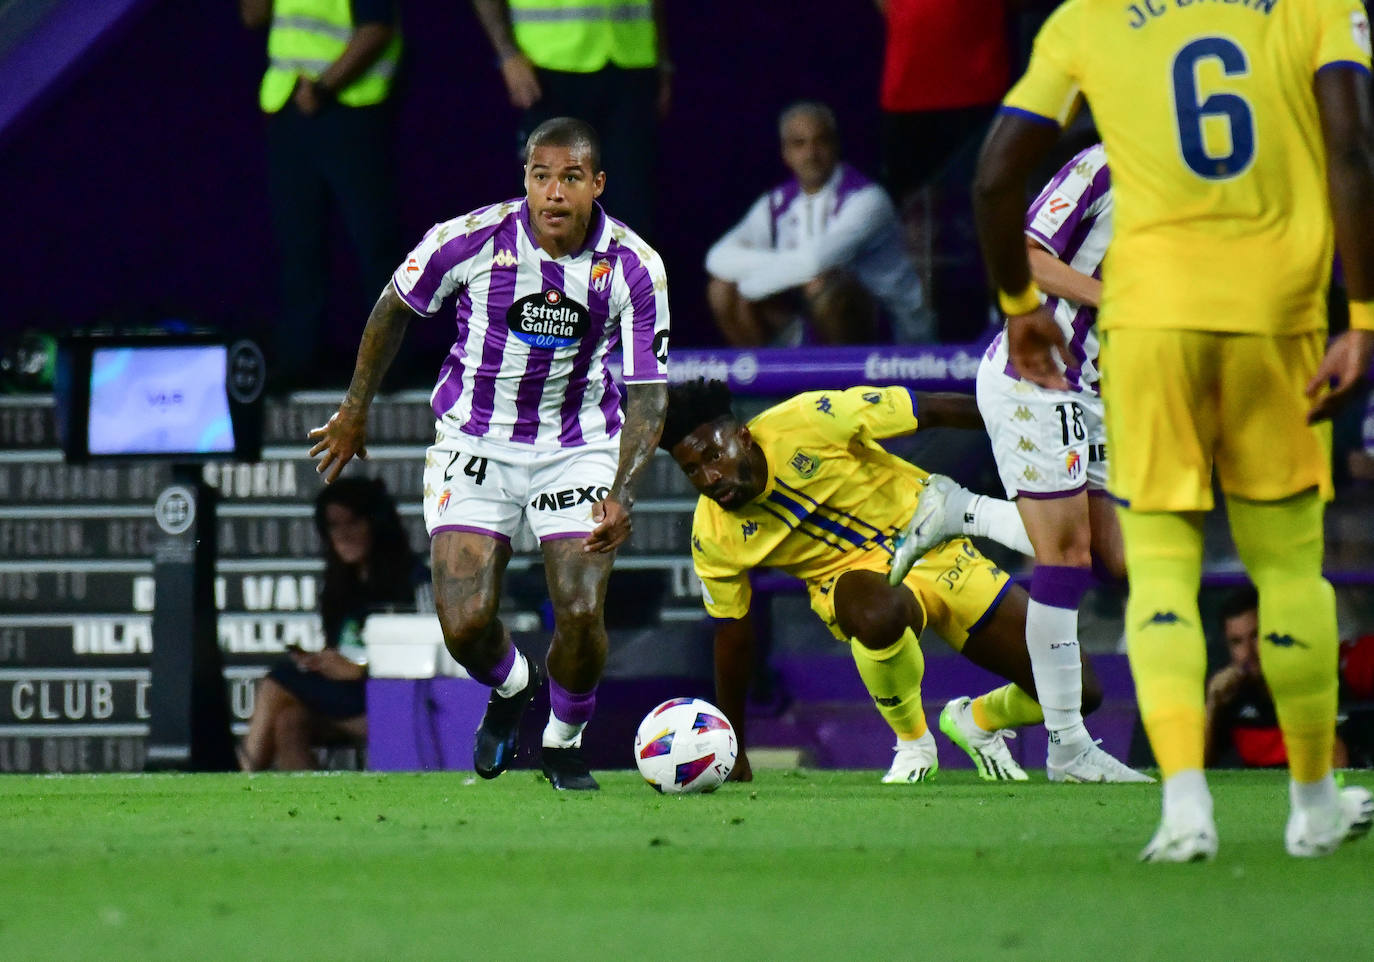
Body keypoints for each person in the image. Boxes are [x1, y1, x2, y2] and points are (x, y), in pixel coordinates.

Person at [971, 0, 1374, 860]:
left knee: (1150, 569)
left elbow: (993, 178)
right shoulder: (1317, 8)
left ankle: (1185, 808)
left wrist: (1016, 308)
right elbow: (1351, 149)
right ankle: (1312, 805)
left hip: (1146, 341)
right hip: (1275, 321)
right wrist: (1364, 316)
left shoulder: (1093, 21)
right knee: (1287, 567)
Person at [308, 117, 669, 791]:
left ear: (597, 184)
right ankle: (514, 687)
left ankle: (563, 742)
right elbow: (392, 308)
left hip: (578, 445)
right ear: (525, 180)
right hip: (475, 442)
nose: (553, 193)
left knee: (583, 610)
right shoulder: (468, 239)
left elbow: (648, 395)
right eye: (540, 176)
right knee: (466, 624)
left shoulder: (634, 266)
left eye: (569, 178)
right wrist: (355, 409)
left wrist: (624, 490)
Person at [661, 379, 1149, 784]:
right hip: (854, 584)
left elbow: (930, 409)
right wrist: (733, 744)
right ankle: (914, 744)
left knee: (1080, 692)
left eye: (712, 455)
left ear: (743, 436)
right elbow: (733, 636)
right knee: (875, 612)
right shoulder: (714, 534)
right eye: (692, 470)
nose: (708, 476)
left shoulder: (811, 419)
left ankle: (974, 721)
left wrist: (1021, 427)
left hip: (939, 545)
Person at [892, 143, 1144, 783]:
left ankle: (964, 513)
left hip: (1102, 390)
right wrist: (1113, 298)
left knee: (1122, 560)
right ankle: (1068, 747)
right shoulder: (1102, 167)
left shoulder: (1203, 184)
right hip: (1038, 375)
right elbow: (1027, 256)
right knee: (1065, 556)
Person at [240, 0, 405, 388]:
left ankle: (387, 365)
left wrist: (325, 86)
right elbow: (253, 15)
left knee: (374, 244)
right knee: (298, 244)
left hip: (350, 106)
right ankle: (299, 359)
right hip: (290, 109)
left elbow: (377, 28)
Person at [704, 102, 935, 347]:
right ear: (785, 153)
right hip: (806, 317)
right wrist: (788, 270)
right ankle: (767, 382)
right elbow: (717, 258)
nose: (811, 153)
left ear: (836, 145)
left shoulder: (868, 199)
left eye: (820, 141)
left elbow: (814, 262)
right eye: (799, 144)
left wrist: (751, 286)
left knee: (828, 287)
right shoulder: (776, 203)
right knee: (721, 290)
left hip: (891, 332)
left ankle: (850, 382)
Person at [239, 477, 420, 771]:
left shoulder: (412, 579)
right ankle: (311, 813)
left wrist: (361, 671)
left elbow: (427, 659)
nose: (343, 535)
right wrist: (322, 662)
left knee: (276, 682)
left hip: (391, 699)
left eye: (352, 523)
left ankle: (243, 778)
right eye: (334, 526)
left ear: (376, 524)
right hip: (347, 699)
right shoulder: (340, 586)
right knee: (288, 720)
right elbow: (344, 647)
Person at [471, 0, 669, 240]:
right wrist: (507, 54)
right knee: (553, 208)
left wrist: (663, 60)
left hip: (632, 61)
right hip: (549, 65)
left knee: (632, 207)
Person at [1206, 584, 1350, 769]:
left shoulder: (1311, 679)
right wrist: (1212, 704)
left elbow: (1338, 760)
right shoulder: (1230, 693)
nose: (1247, 652)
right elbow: (1195, 769)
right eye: (1236, 642)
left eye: (1255, 635)